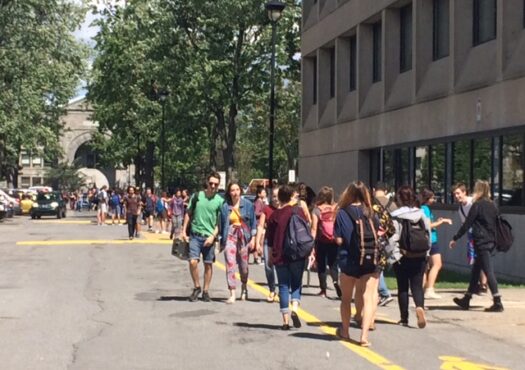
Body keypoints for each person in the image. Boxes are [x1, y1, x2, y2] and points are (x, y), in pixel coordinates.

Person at [334, 181, 381, 347]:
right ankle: (364, 336)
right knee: (368, 298)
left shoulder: (342, 213)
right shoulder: (371, 212)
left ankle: (345, 331)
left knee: (346, 299)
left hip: (349, 259)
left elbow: (340, 239)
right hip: (370, 260)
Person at [449, 180, 503, 312]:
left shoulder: (477, 205)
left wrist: (455, 238)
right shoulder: (492, 205)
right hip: (491, 240)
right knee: (476, 270)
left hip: (481, 241)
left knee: (488, 271)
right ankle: (466, 299)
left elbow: (467, 223)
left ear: (478, 190)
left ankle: (497, 302)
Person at [388, 185, 431, 329]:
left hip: (403, 255)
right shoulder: (421, 213)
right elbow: (428, 233)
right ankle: (419, 307)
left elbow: (394, 237)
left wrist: (393, 256)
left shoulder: (396, 216)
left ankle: (404, 318)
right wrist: (427, 253)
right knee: (417, 286)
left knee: (403, 287)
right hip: (420, 255)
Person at [267, 184, 308, 330]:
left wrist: (271, 256)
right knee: (296, 283)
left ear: (279, 198)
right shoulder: (298, 212)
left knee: (283, 286)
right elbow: (305, 231)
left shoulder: (275, 215)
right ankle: (295, 309)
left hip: (280, 255)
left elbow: (270, 239)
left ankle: (285, 321)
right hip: (297, 254)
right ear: (291, 197)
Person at [182, 172, 224, 302]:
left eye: (215, 184)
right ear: (207, 182)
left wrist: (213, 236)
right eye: (211, 183)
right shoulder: (197, 196)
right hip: (195, 235)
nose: (213, 186)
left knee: (208, 265)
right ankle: (197, 287)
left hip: (209, 237)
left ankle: (206, 290)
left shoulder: (220, 201)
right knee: (193, 261)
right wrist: (183, 231)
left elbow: (220, 222)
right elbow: (188, 213)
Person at [219, 181, 256, 304]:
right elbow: (221, 224)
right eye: (232, 190)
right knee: (230, 263)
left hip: (244, 235)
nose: (235, 192)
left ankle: (244, 287)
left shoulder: (248, 204)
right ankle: (232, 292)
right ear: (229, 192)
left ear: (240, 191)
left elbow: (253, 223)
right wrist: (220, 241)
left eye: (237, 190)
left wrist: (254, 238)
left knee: (244, 266)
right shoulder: (225, 207)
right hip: (230, 234)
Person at [452, 183, 488, 294]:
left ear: (464, 192)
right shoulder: (461, 209)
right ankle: (479, 284)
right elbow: (465, 225)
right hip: (472, 234)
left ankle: (484, 284)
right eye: (454, 194)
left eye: (458, 193)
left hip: (482, 233)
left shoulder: (473, 202)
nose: (456, 196)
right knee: (474, 259)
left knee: (482, 258)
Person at [419, 188, 452, 299]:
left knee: (425, 266)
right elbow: (428, 225)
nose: (433, 200)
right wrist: (441, 222)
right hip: (431, 240)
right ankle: (429, 289)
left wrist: (437, 221)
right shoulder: (425, 209)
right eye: (432, 198)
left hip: (425, 240)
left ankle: (422, 288)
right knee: (437, 264)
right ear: (427, 198)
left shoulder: (420, 208)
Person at [310, 186, 340, 298]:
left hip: (321, 241)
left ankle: (323, 290)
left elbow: (314, 229)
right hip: (334, 240)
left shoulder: (317, 209)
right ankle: (336, 281)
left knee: (321, 265)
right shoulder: (336, 208)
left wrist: (311, 245)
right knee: (333, 265)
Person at [373, 182, 397, 306]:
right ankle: (380, 293)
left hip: (375, 239)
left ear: (373, 190)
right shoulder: (392, 204)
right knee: (380, 267)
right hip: (389, 238)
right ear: (386, 191)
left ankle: (384, 292)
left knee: (377, 268)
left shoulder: (371, 203)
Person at [256, 187, 279, 303]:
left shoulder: (286, 209)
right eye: (274, 196)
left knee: (281, 268)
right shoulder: (267, 209)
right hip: (268, 241)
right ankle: (272, 289)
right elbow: (260, 226)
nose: (276, 199)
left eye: (278, 196)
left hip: (281, 243)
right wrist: (257, 243)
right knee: (268, 267)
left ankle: (283, 290)